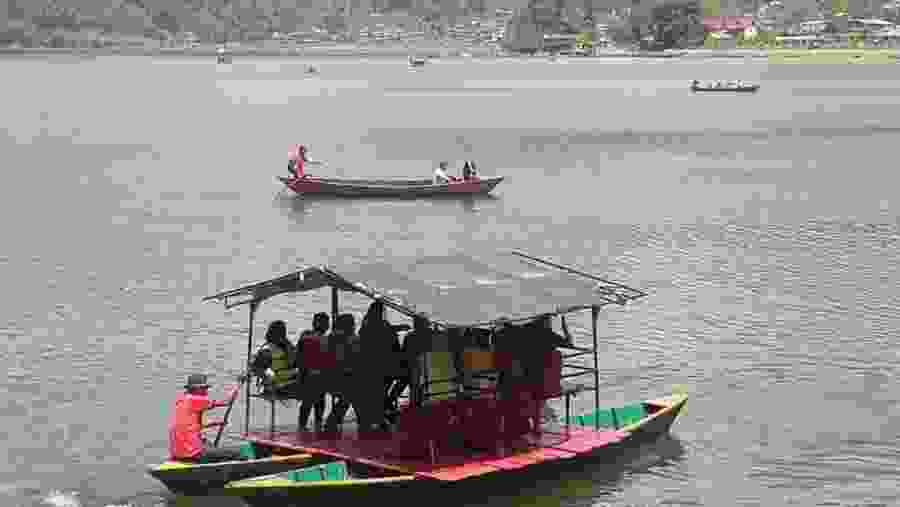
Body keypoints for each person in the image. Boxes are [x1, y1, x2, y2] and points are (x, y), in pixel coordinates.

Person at [168, 374, 242, 463]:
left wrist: (217, 423)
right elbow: (227, 401)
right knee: (238, 454)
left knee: (207, 443)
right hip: (191, 451)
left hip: (177, 452)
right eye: (204, 388)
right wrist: (238, 384)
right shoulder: (196, 399)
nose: (206, 391)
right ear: (196, 389)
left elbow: (191, 425)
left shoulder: (181, 400)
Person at [296, 312, 330, 431]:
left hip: (306, 376)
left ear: (313, 324)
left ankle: (302, 425)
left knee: (307, 402)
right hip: (321, 377)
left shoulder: (304, 337)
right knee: (320, 401)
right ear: (326, 326)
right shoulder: (327, 340)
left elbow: (298, 358)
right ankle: (318, 423)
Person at [250, 320, 299, 398]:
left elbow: (254, 367)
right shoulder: (289, 347)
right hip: (287, 382)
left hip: (276, 385)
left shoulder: (266, 350)